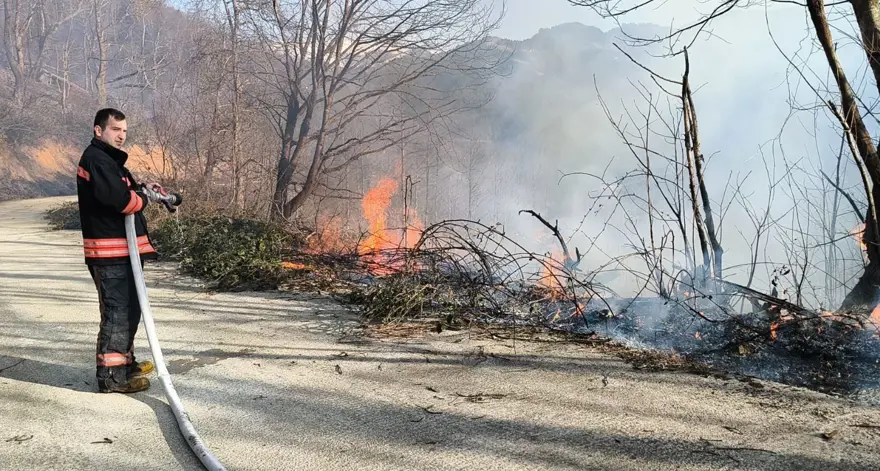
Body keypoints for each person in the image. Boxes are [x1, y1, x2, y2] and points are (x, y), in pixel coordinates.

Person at [76, 108, 163, 394]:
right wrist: (140, 199)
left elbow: (123, 190)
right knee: (117, 312)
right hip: (109, 253)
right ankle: (112, 378)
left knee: (129, 310)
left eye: (124, 130)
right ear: (98, 130)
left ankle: (125, 363)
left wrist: (142, 189)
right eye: (115, 129)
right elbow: (121, 201)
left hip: (122, 253)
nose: (121, 135)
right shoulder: (97, 159)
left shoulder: (108, 161)